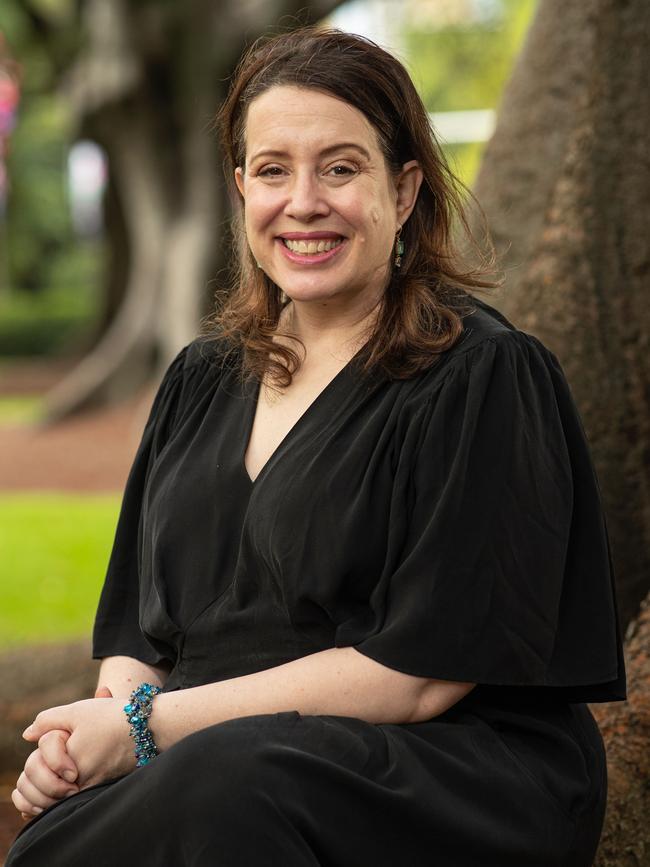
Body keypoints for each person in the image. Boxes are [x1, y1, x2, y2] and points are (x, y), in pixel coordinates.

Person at [7, 26, 625, 867]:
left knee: (228, 785)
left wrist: (148, 730)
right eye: (272, 170)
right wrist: (102, 734)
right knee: (60, 837)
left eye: (340, 167)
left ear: (403, 190)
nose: (303, 201)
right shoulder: (199, 379)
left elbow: (420, 677)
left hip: (449, 773)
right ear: (240, 189)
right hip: (216, 761)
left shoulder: (483, 375)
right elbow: (139, 638)